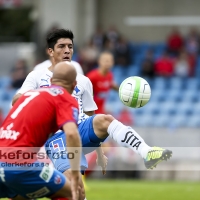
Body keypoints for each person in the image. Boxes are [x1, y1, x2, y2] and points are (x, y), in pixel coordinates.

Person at [12, 28, 173, 199]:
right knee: (77, 190)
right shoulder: (37, 76)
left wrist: (99, 153)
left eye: (70, 46)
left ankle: (147, 152)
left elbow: (90, 115)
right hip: (58, 137)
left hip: (81, 129)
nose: (67, 50)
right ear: (51, 51)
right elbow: (17, 101)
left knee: (105, 120)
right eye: (61, 46)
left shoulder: (83, 80)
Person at [0, 62, 82, 200]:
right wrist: (75, 172)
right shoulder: (64, 98)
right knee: (74, 192)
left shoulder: (28, 95)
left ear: (51, 81)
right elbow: (72, 133)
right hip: (20, 163)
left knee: (21, 195)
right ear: (74, 85)